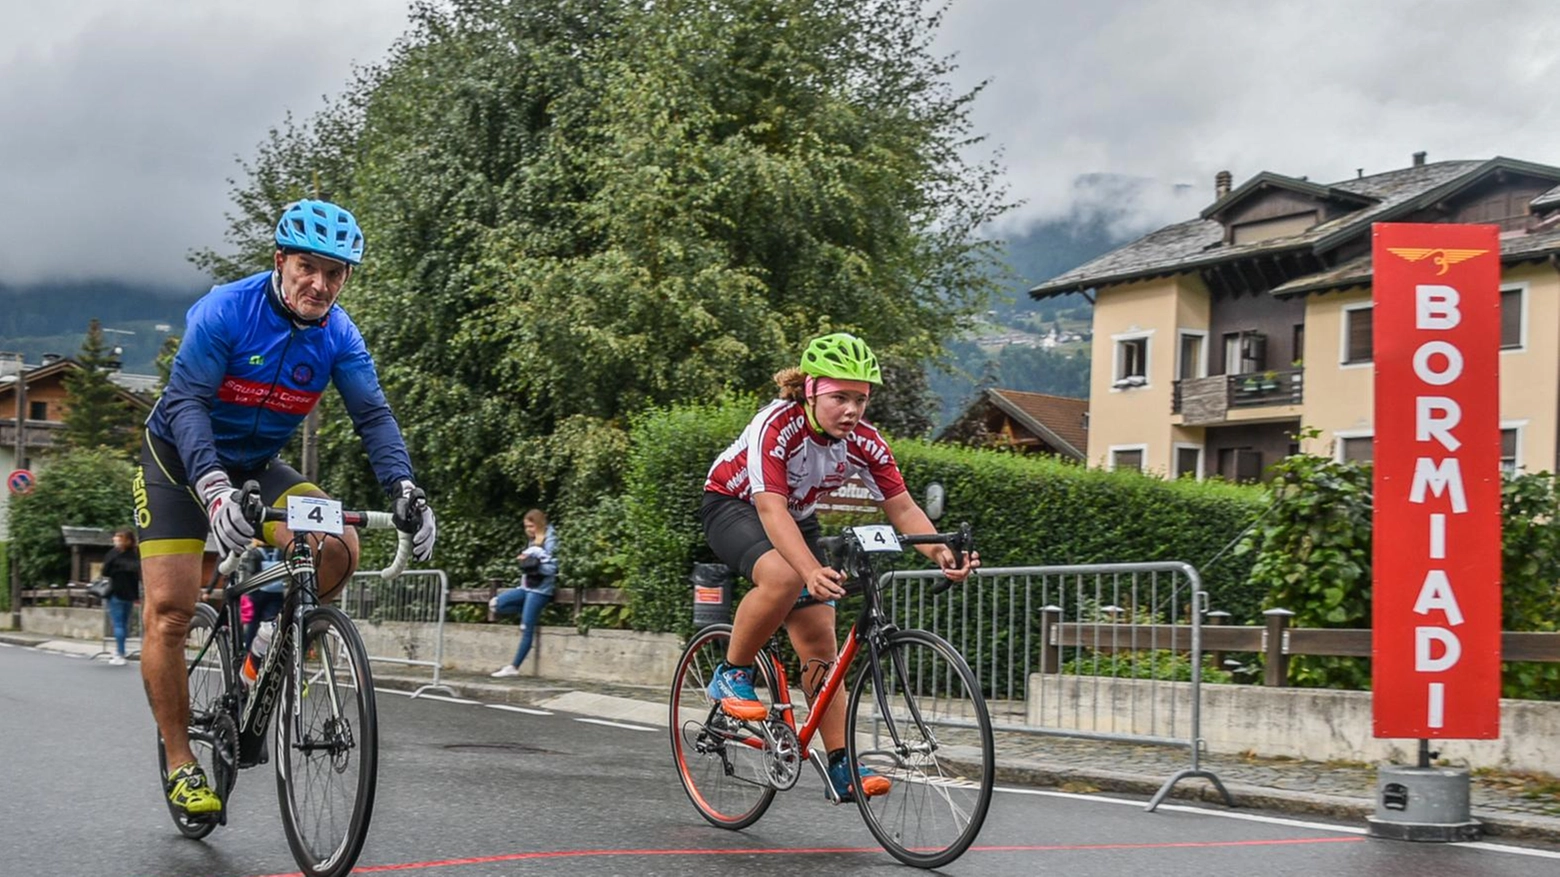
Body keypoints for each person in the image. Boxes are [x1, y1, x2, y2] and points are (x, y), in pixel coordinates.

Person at [135, 198, 438, 822]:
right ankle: (180, 761)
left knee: (339, 544)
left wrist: (405, 488)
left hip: (257, 467)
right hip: (177, 461)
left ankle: (270, 641)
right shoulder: (227, 310)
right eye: (308, 267)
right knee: (171, 610)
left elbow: (373, 416)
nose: (320, 284)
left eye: (336, 273)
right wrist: (214, 489)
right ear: (280, 261)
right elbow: (188, 401)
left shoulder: (340, 335)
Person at [699, 332, 979, 802]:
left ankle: (840, 763)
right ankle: (732, 671)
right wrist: (808, 570)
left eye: (861, 399)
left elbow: (903, 506)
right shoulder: (777, 424)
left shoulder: (865, 442)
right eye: (839, 397)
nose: (851, 410)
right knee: (786, 576)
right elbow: (770, 510)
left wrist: (939, 552)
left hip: (798, 518)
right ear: (809, 390)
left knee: (820, 642)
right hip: (736, 505)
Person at [489, 509, 559, 678]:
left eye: (531, 526)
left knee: (526, 628)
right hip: (526, 587)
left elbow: (552, 568)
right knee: (496, 604)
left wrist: (534, 565)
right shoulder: (533, 540)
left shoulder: (550, 540)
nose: (528, 530)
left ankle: (514, 667)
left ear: (539, 524)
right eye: (526, 527)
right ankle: (528, 610)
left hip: (540, 590)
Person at [100, 528, 141, 666]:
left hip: (116, 592)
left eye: (119, 537)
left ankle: (120, 652)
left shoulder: (114, 554)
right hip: (129, 594)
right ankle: (121, 650)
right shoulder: (134, 555)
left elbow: (105, 571)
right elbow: (137, 575)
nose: (115, 539)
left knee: (117, 624)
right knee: (124, 624)